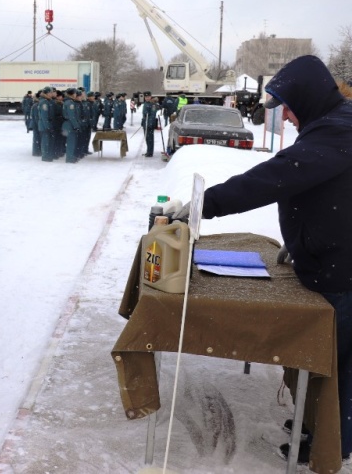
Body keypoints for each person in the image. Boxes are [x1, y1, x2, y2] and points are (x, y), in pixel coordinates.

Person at [175, 55, 352, 465]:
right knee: (328, 359)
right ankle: (318, 424)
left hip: (341, 271)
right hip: (328, 259)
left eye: (287, 106)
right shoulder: (331, 124)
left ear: (306, 98)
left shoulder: (336, 131)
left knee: (337, 364)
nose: (285, 116)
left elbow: (274, 178)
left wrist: (205, 204)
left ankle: (332, 443)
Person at [61, 88, 80, 163]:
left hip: (68, 124)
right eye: (75, 93)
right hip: (70, 124)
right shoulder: (70, 103)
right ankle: (69, 158)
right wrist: (76, 126)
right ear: (72, 94)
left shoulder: (68, 102)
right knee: (71, 142)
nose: (76, 95)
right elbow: (72, 116)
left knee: (71, 142)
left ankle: (71, 156)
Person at [37, 87, 54, 162]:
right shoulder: (44, 102)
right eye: (50, 93)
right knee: (45, 141)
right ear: (46, 93)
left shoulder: (47, 101)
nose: (51, 94)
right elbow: (44, 116)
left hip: (47, 124)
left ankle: (47, 155)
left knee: (47, 141)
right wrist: (47, 126)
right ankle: (45, 156)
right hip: (44, 125)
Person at [141, 91, 157, 157]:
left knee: (150, 138)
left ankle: (150, 152)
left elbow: (153, 115)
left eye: (148, 97)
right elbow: (144, 115)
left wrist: (150, 124)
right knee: (147, 138)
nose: (147, 98)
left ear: (150, 97)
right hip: (145, 122)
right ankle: (148, 151)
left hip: (150, 123)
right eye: (146, 97)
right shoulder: (145, 103)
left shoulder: (152, 104)